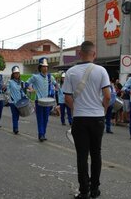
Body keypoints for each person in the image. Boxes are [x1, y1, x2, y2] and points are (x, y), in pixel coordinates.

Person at [62, 41, 110, 199]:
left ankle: (84, 191)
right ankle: (95, 189)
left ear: (80, 53)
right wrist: (103, 109)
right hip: (97, 118)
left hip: (80, 118)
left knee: (82, 155)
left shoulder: (70, 72)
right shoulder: (101, 71)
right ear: (94, 54)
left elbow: (67, 97)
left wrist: (75, 109)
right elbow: (108, 95)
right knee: (96, 154)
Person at [27, 57, 57, 141]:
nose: (46, 68)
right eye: (44, 66)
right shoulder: (35, 77)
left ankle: (43, 133)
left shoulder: (50, 77)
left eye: (46, 66)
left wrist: (57, 87)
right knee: (40, 118)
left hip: (48, 102)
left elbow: (56, 84)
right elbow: (27, 83)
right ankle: (41, 134)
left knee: (46, 119)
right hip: (39, 101)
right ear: (40, 67)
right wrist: (30, 88)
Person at [7, 66, 29, 134]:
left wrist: (25, 96)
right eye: (15, 73)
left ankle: (15, 127)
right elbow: (7, 91)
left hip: (20, 102)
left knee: (18, 116)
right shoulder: (10, 82)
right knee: (15, 115)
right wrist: (9, 96)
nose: (17, 74)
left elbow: (23, 91)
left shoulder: (21, 82)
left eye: (18, 73)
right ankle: (15, 128)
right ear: (13, 74)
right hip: (12, 102)